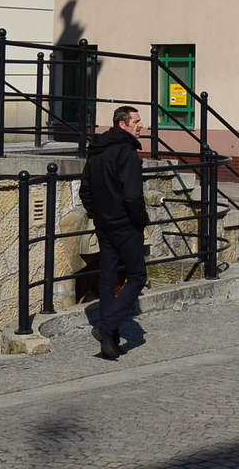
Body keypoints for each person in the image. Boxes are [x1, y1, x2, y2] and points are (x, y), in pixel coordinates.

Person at [79, 105, 151, 360]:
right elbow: (133, 197)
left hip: (104, 226)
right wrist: (141, 220)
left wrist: (98, 214)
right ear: (123, 124)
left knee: (109, 281)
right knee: (137, 277)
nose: (141, 125)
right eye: (137, 121)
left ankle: (108, 343)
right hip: (125, 226)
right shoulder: (126, 153)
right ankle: (106, 328)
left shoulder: (97, 152)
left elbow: (85, 190)